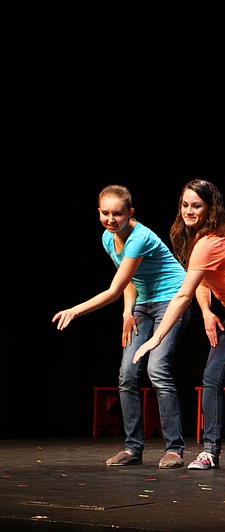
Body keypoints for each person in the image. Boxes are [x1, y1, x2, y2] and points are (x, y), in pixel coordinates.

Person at [132, 179, 225, 472]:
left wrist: (156, 338)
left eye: (196, 206)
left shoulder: (212, 239)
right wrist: (206, 312)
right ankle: (210, 451)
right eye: (185, 205)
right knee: (211, 377)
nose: (189, 211)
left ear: (210, 209)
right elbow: (199, 283)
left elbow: (184, 293)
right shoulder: (193, 238)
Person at [53, 185, 191, 469]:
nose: (110, 219)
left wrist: (75, 310)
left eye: (117, 214)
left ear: (130, 213)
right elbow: (129, 280)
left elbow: (114, 290)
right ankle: (132, 448)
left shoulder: (139, 237)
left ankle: (174, 449)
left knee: (157, 368)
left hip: (171, 298)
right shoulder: (108, 238)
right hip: (143, 302)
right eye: (105, 213)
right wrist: (128, 312)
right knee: (127, 373)